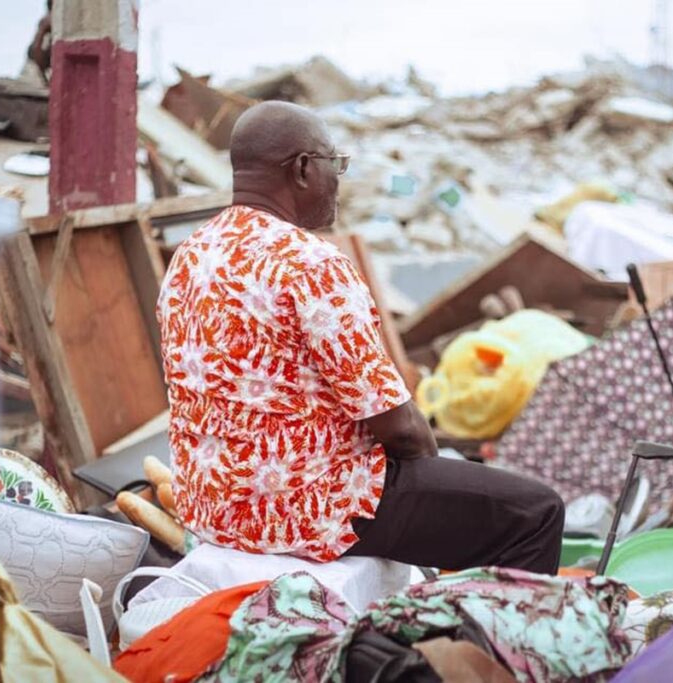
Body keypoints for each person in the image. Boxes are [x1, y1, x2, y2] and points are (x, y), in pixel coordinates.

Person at [157, 101, 564, 574]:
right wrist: (431, 483)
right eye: (337, 164)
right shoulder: (310, 263)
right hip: (306, 508)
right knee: (538, 513)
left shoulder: (191, 255)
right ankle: (499, 645)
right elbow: (399, 427)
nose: (339, 181)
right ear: (305, 169)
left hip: (213, 507)